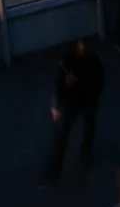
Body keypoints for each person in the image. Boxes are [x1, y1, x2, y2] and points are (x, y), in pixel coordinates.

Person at [43, 38, 105, 182]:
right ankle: (60, 167)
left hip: (85, 98)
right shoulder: (85, 60)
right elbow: (59, 83)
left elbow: (96, 84)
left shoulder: (89, 62)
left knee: (78, 129)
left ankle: (61, 167)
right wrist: (56, 104)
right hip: (79, 99)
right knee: (68, 133)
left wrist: (56, 104)